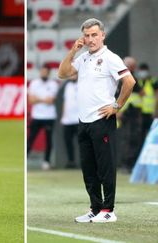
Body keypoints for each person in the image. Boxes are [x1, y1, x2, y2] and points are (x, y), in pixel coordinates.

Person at [58, 18, 135, 223]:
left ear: (102, 35)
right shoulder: (83, 58)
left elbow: (129, 82)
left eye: (94, 35)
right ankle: (95, 208)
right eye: (87, 35)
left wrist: (116, 106)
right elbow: (63, 73)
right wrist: (73, 51)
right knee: (89, 169)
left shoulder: (110, 58)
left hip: (102, 120)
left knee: (105, 167)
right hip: (84, 121)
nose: (90, 39)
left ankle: (108, 210)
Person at [27, 65, 59, 170]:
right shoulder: (34, 83)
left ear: (49, 73)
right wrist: (44, 99)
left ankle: (46, 161)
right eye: (42, 72)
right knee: (31, 138)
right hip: (37, 116)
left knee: (48, 140)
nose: (43, 73)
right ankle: (25, 158)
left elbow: (51, 101)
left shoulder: (54, 84)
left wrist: (38, 99)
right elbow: (31, 100)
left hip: (49, 116)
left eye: (46, 72)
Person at [117, 56, 142, 172]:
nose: (133, 67)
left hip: (134, 114)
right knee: (128, 140)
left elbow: (140, 94)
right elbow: (118, 95)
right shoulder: (123, 77)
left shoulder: (131, 77)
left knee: (133, 139)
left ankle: (129, 164)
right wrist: (118, 111)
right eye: (131, 65)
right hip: (126, 114)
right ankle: (126, 165)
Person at [60, 76, 79, 168]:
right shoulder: (67, 86)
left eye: (75, 74)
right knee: (68, 142)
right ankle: (71, 161)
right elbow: (65, 101)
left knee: (83, 143)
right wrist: (63, 116)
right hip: (68, 120)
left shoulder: (83, 84)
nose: (73, 76)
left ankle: (86, 162)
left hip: (80, 119)